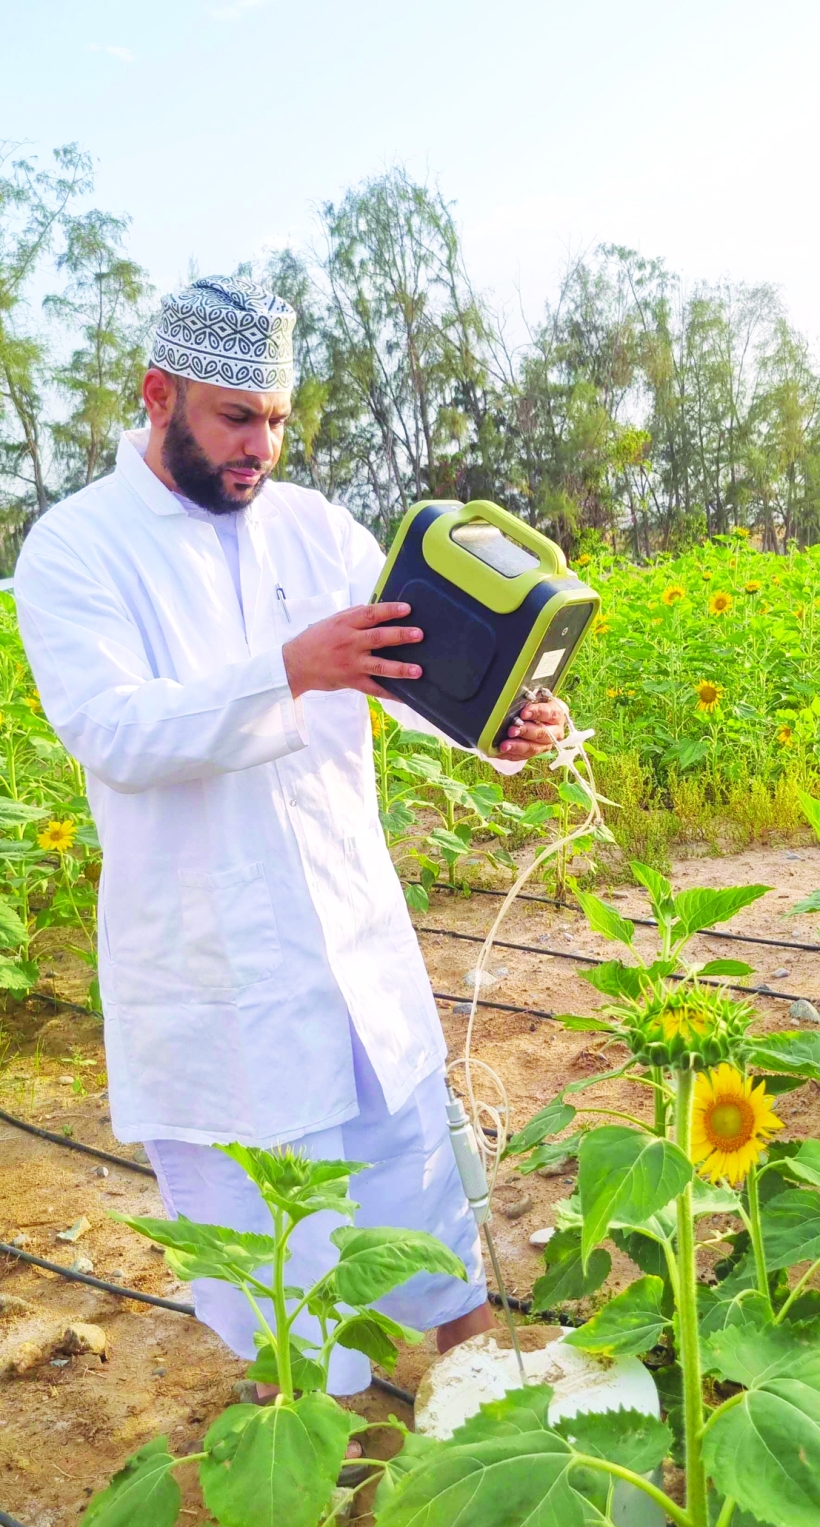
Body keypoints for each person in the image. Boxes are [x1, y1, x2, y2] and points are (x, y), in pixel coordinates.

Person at [14, 274, 568, 1401]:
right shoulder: (77, 548)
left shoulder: (316, 527)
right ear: (158, 394)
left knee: (416, 1183)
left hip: (350, 935)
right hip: (212, 969)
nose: (260, 444)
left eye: (276, 419)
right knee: (279, 1262)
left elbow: (412, 669)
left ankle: (486, 1400)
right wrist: (289, 669)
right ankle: (333, 1482)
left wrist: (504, 725)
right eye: (234, 417)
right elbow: (112, 728)